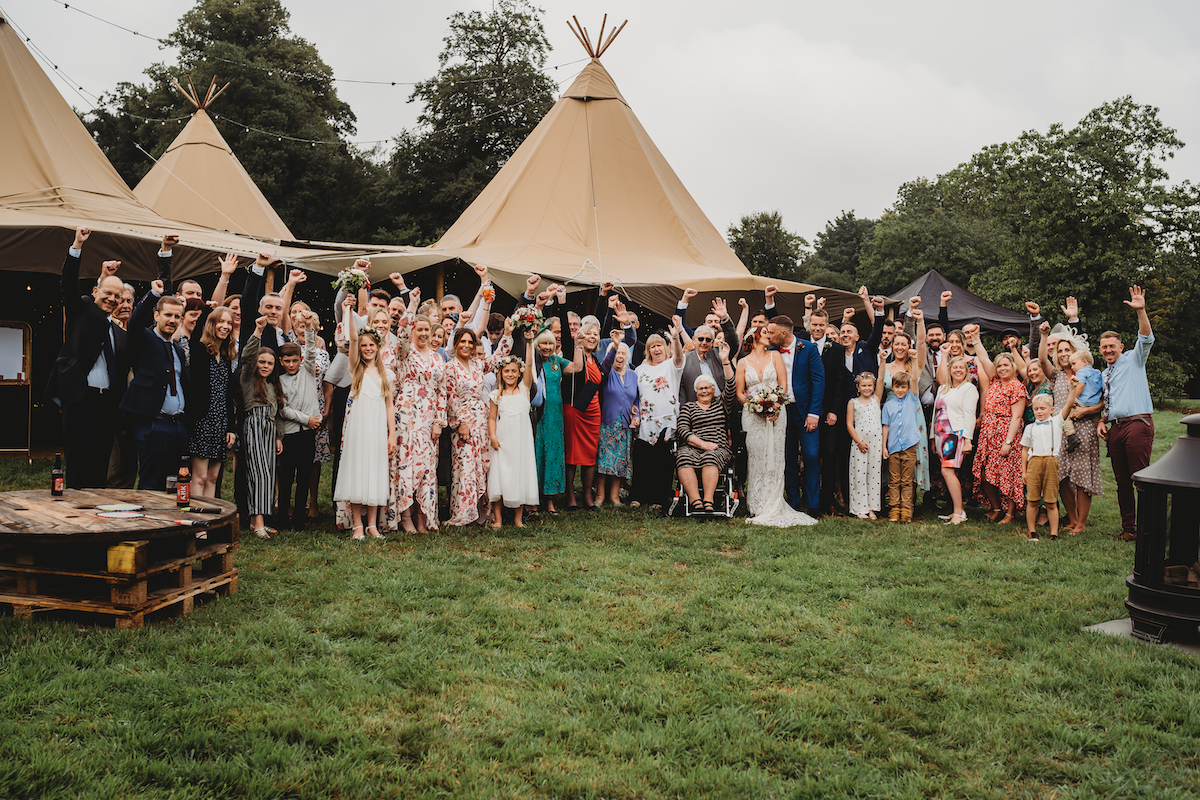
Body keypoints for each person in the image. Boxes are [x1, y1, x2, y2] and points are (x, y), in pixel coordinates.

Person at [46, 225, 133, 489]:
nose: (112, 299)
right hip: (80, 398)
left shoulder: (113, 327)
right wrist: (77, 245)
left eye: (117, 297)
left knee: (100, 463)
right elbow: (68, 283)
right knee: (79, 461)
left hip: (107, 403)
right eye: (107, 293)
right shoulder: (81, 308)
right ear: (95, 292)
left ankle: (95, 515)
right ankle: (73, 514)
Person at [121, 243, 191, 491]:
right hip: (153, 424)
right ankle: (148, 526)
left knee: (173, 482)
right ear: (156, 316)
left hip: (178, 425)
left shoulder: (178, 349)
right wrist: (153, 293)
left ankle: (171, 526)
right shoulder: (145, 339)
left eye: (176, 317)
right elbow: (134, 323)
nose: (172, 320)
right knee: (150, 481)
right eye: (167, 315)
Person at [738, 324, 818, 527]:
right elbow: (740, 392)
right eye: (764, 333)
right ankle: (756, 503)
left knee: (775, 457)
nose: (769, 336)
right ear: (754, 337)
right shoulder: (742, 363)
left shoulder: (776, 357)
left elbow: (783, 385)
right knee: (757, 458)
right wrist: (756, 407)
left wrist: (774, 406)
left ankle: (773, 502)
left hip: (776, 413)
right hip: (752, 416)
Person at [1036, 298, 1102, 535]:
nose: (1063, 353)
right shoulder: (1054, 376)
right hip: (1059, 430)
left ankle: (1082, 524)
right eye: (1060, 350)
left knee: (1082, 477)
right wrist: (1044, 337)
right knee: (1061, 476)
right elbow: (1042, 359)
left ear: (1075, 352)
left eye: (1067, 350)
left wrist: (1074, 319)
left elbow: (1100, 400)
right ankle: (1072, 519)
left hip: (1083, 429)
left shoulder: (1084, 373)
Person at [334, 296, 396, 539]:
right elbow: (352, 337)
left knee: (375, 471)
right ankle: (357, 524)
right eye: (364, 346)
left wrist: (392, 434)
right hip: (358, 428)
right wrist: (348, 310)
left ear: (379, 347)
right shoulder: (356, 369)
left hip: (378, 427)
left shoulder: (386, 373)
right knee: (358, 470)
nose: (368, 349)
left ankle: (372, 524)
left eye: (372, 346)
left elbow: (390, 406)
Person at [1099, 286, 1155, 542]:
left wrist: (1141, 311)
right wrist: (1102, 420)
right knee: (1122, 481)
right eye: (1103, 347)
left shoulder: (1134, 359)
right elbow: (1108, 400)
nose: (1108, 350)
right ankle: (1129, 528)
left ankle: (1148, 528)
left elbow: (1145, 337)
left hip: (1137, 424)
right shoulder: (1104, 374)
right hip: (1116, 428)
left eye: (1111, 346)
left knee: (1140, 477)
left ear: (1121, 346)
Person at [388, 287, 446, 533]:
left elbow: (443, 391)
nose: (423, 333)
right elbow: (400, 333)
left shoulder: (438, 358)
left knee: (426, 466)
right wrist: (412, 305)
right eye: (419, 329)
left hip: (429, 416)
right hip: (407, 414)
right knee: (407, 464)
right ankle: (405, 516)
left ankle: (424, 516)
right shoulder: (404, 352)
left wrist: (439, 422)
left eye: (426, 330)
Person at [443, 324, 513, 527]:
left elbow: (498, 358)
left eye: (470, 342)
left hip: (482, 419)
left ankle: (482, 512)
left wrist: (506, 334)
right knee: (465, 465)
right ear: (455, 344)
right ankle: (464, 513)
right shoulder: (450, 367)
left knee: (483, 465)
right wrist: (460, 424)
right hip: (463, 421)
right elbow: (451, 398)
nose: (466, 345)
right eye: (462, 342)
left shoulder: (477, 364)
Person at [560, 289, 615, 510]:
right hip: (575, 410)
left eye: (595, 335)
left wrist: (608, 305)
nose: (592, 337)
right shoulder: (574, 354)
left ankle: (588, 496)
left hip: (593, 413)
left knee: (590, 454)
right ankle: (571, 495)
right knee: (573, 453)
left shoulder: (598, 360)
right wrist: (562, 303)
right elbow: (566, 332)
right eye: (588, 334)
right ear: (581, 336)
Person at [767, 314, 825, 516]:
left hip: (806, 412)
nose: (768, 335)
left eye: (771, 332)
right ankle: (793, 501)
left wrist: (814, 413)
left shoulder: (808, 349)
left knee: (810, 455)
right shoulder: (771, 351)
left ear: (783, 333)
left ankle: (813, 504)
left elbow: (818, 381)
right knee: (788, 457)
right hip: (782, 411)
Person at [969, 337, 1028, 524]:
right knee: (985, 473)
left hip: (1006, 434)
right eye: (1000, 366)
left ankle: (1010, 514)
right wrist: (976, 340)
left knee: (1008, 475)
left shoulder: (1016, 387)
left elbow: (1017, 417)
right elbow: (985, 361)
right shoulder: (994, 381)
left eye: (1006, 365)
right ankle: (996, 508)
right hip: (988, 434)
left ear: (1013, 367)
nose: (1002, 368)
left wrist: (1008, 443)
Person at [487, 333, 540, 527]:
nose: (510, 374)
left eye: (513, 371)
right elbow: (492, 418)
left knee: (520, 474)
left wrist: (528, 342)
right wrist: (492, 436)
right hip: (503, 440)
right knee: (500, 476)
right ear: (501, 373)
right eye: (506, 371)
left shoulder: (524, 390)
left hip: (521, 441)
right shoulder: (496, 394)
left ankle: (518, 518)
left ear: (519, 373)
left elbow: (529, 364)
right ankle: (498, 518)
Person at [239, 317, 285, 539]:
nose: (265, 366)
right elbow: (247, 357)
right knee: (259, 473)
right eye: (262, 362)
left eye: (269, 363)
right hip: (254, 424)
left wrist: (278, 436)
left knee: (268, 473)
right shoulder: (248, 378)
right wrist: (258, 331)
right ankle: (257, 522)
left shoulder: (273, 384)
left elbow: (277, 415)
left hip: (269, 428)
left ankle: (257, 521)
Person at [633, 321, 686, 510]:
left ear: (665, 348)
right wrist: (634, 409)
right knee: (643, 458)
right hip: (647, 418)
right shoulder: (640, 370)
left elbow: (679, 356)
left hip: (667, 417)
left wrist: (676, 338)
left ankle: (659, 497)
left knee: (663, 460)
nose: (656, 349)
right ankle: (639, 495)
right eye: (652, 346)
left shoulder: (672, 365)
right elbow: (634, 394)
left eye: (659, 346)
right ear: (648, 350)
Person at [186, 303, 237, 500]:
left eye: (229, 323)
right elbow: (199, 328)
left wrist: (230, 428)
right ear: (211, 324)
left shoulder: (225, 356)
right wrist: (208, 309)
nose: (225, 326)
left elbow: (227, 395)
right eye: (221, 322)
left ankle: (209, 520)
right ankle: (198, 526)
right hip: (203, 421)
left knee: (213, 477)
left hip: (220, 423)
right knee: (199, 477)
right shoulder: (200, 350)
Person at [277, 314, 321, 529]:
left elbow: (311, 348)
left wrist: (309, 326)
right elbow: (283, 410)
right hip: (290, 433)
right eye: (287, 361)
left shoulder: (308, 371)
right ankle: (283, 516)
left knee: (304, 476)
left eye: (295, 360)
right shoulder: (279, 381)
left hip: (307, 435)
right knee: (286, 476)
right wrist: (307, 419)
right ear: (281, 361)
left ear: (301, 359)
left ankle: (300, 520)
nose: (292, 364)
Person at [1021, 391, 1081, 541]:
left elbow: (1068, 405)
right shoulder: (1030, 428)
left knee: (1050, 500)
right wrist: (1024, 471)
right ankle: (1032, 531)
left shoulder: (1056, 422)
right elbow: (1024, 449)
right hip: (1034, 462)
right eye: (1036, 409)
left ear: (1051, 410)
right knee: (1033, 499)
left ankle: (1054, 533)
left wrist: (1073, 387)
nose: (1039, 412)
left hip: (1051, 462)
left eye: (1043, 408)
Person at [675, 369, 737, 512]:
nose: (704, 391)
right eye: (700, 388)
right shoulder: (689, 407)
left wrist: (726, 362)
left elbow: (731, 387)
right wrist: (702, 444)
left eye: (707, 388)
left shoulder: (721, 404)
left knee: (710, 456)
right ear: (696, 391)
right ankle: (695, 500)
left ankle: (709, 500)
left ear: (713, 389)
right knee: (683, 457)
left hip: (718, 447)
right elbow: (683, 430)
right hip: (693, 446)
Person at [932, 354, 979, 525]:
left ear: (966, 371)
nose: (958, 370)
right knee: (949, 471)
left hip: (955, 434)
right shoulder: (943, 388)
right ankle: (956, 511)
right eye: (955, 367)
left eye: (961, 367)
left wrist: (968, 439)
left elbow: (970, 415)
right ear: (949, 370)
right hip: (940, 435)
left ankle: (959, 512)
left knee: (947, 470)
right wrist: (932, 437)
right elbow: (935, 414)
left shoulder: (968, 389)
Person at [598, 337, 639, 507]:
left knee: (620, 461)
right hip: (607, 422)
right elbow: (606, 365)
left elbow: (636, 398)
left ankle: (614, 496)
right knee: (603, 461)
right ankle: (600, 495)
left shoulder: (633, 375)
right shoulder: (607, 373)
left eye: (623, 353)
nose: (620, 356)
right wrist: (614, 348)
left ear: (627, 356)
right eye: (617, 353)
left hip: (624, 425)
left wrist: (636, 415)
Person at [881, 370, 922, 522]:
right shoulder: (888, 406)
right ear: (892, 387)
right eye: (897, 387)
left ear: (908, 388)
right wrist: (884, 446)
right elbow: (885, 426)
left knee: (906, 480)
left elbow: (916, 379)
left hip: (909, 446)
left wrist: (914, 358)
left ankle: (905, 509)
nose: (900, 390)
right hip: (893, 447)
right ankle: (894, 508)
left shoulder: (912, 399)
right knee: (894, 480)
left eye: (904, 387)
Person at [845, 372, 883, 520]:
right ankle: (860, 508)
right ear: (858, 387)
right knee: (859, 474)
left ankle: (872, 508)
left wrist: (882, 360)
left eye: (869, 385)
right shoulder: (853, 402)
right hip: (860, 441)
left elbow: (880, 379)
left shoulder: (876, 399)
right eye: (864, 386)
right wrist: (858, 441)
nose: (867, 388)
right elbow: (849, 424)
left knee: (874, 475)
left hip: (875, 442)